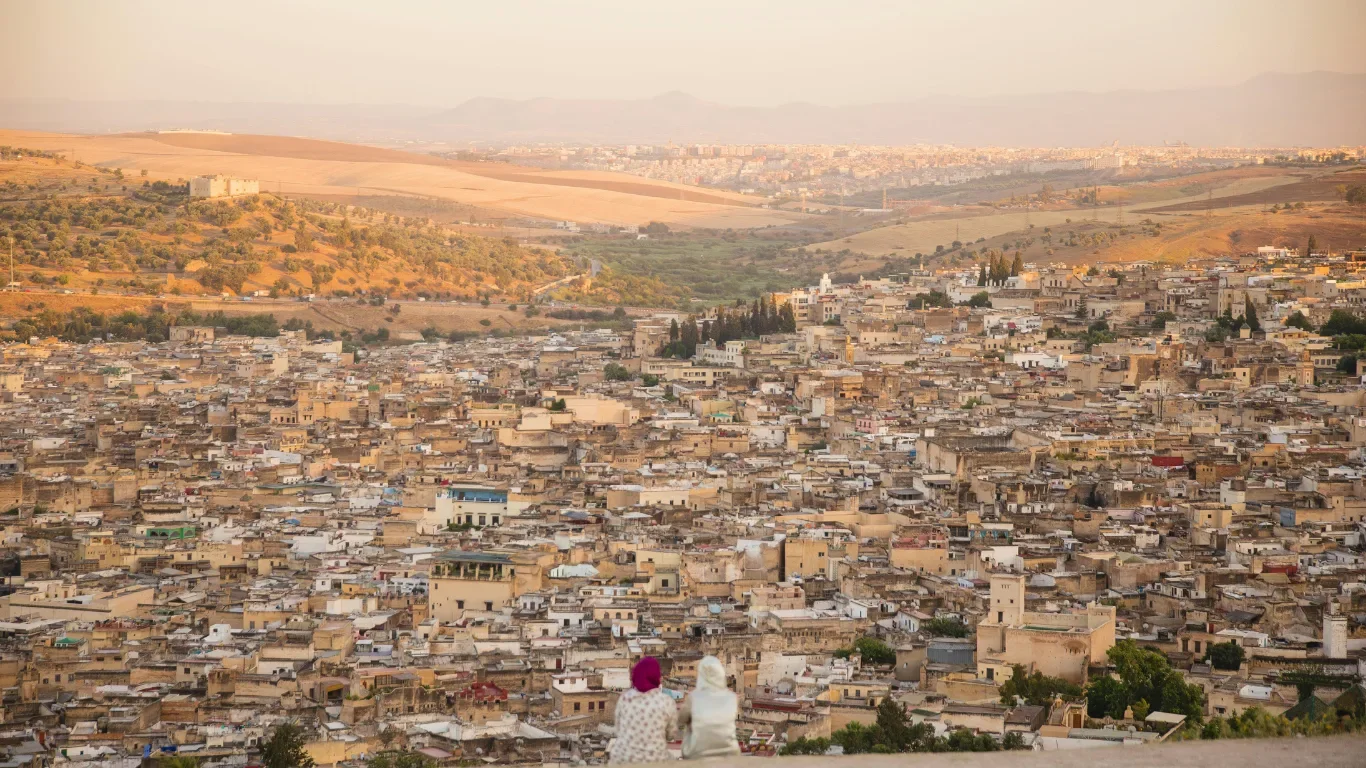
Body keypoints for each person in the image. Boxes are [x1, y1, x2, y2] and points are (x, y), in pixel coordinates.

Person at [609, 656, 677, 764]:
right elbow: (671, 734)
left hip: (623, 759)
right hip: (655, 760)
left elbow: (618, 729)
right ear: (657, 677)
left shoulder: (625, 698)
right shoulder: (666, 702)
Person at [678, 656, 741, 759]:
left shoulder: (694, 697)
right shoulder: (732, 698)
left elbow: (681, 719)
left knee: (689, 726)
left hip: (697, 754)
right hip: (730, 752)